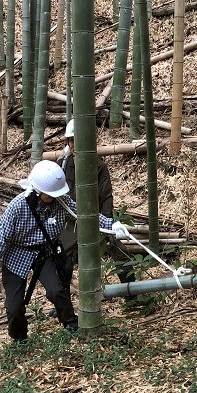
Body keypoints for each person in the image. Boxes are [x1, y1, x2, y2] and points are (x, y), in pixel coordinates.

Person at [0, 160, 127, 341]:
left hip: (45, 253)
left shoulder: (62, 202)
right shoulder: (17, 207)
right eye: (48, 195)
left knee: (57, 291)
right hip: (17, 254)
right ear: (37, 190)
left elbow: (84, 215)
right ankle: (19, 339)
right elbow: (0, 240)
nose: (52, 197)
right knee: (14, 307)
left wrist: (112, 225)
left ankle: (72, 325)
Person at [56, 120, 137, 299]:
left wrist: (107, 224)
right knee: (61, 259)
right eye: (71, 140)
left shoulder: (98, 166)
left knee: (120, 253)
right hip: (70, 220)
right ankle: (63, 304)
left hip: (95, 218)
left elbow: (106, 196)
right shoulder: (62, 164)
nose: (75, 145)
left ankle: (132, 295)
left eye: (78, 140)